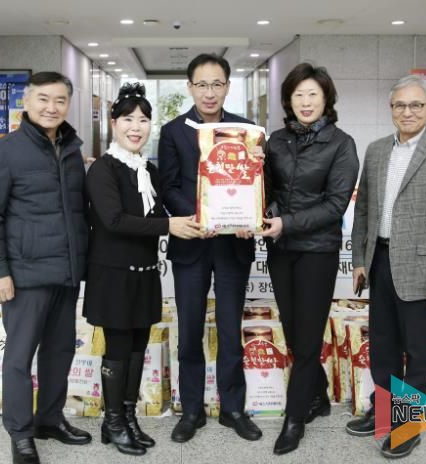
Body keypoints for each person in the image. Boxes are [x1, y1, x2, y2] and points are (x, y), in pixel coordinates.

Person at [346, 75, 426, 459]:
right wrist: (360, 260)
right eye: (400, 105)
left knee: (416, 351)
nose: (407, 112)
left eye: (416, 105)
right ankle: (384, 411)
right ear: (391, 109)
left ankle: (408, 425)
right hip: (379, 262)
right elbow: (363, 209)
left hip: (421, 270)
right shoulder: (376, 150)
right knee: (382, 346)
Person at [0, 72, 91, 464]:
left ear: (68, 104)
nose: (51, 107)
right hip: (24, 275)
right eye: (43, 99)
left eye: (60, 100)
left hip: (66, 272)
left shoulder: (72, 149)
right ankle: (21, 433)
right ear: (26, 102)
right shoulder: (4, 151)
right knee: (20, 357)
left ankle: (50, 420)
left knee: (60, 351)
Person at [83, 83, 204, 456]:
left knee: (138, 348)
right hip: (113, 275)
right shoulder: (102, 169)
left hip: (145, 272)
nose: (136, 127)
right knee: (119, 348)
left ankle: (128, 417)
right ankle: (112, 422)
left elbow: (165, 205)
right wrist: (170, 225)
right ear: (113, 123)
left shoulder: (148, 169)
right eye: (128, 119)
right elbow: (115, 220)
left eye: (144, 120)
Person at [158, 53, 262, 443]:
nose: (209, 92)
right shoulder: (173, 131)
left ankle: (233, 408)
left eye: (216, 84)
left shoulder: (246, 131)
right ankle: (192, 411)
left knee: (231, 330)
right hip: (192, 243)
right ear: (189, 88)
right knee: (189, 331)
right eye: (201, 84)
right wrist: (198, 215)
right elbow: (168, 186)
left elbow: (257, 182)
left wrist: (251, 212)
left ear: (227, 87)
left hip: (234, 244)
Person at [261, 63, 359, 455]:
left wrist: (286, 223)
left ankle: (294, 419)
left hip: (318, 251)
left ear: (326, 99)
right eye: (298, 94)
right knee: (294, 331)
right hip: (281, 250)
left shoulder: (342, 144)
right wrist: (263, 212)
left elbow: (336, 205)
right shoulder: (276, 140)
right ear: (289, 99)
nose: (305, 101)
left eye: (312, 94)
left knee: (306, 340)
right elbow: (266, 189)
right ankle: (318, 394)